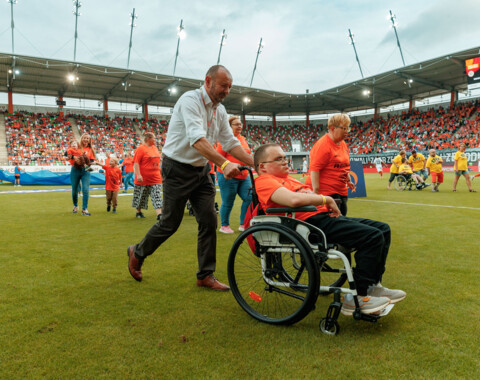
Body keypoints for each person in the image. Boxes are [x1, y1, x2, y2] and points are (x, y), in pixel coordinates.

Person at [127, 65, 254, 291]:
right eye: (224, 85)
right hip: (176, 169)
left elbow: (231, 142)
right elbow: (198, 140)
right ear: (208, 81)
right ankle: (137, 252)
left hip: (201, 170)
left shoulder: (220, 111)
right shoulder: (190, 100)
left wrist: (258, 164)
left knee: (208, 220)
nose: (227, 91)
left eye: (230, 87)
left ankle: (205, 275)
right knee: (169, 223)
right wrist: (224, 164)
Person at [254, 143, 406, 315]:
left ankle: (373, 285)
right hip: (309, 224)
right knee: (372, 236)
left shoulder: (289, 179)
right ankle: (357, 297)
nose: (285, 161)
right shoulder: (264, 181)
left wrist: (317, 199)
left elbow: (306, 196)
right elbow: (294, 200)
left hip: (320, 218)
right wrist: (326, 200)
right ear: (262, 167)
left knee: (383, 229)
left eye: (284, 157)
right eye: (278, 159)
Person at [306, 113, 355, 216]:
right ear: (333, 128)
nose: (347, 132)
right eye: (344, 129)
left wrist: (349, 180)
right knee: (335, 225)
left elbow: (343, 167)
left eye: (348, 129)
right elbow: (314, 169)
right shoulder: (323, 145)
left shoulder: (343, 144)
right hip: (327, 193)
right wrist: (315, 193)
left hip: (341, 192)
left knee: (342, 220)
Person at [216, 116, 252, 233]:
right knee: (228, 201)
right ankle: (224, 225)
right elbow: (218, 157)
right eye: (236, 124)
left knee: (250, 198)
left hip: (244, 175)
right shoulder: (225, 139)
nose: (239, 126)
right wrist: (227, 167)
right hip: (228, 176)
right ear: (229, 127)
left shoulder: (242, 139)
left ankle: (244, 224)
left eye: (240, 124)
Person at [132, 132, 163, 219]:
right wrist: (138, 175)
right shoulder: (140, 149)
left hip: (156, 178)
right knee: (141, 196)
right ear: (148, 138)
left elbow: (158, 162)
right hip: (143, 178)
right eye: (154, 138)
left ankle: (159, 214)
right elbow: (136, 162)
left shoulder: (155, 148)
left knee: (157, 195)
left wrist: (161, 174)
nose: (155, 140)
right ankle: (138, 212)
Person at [69, 134, 96, 215]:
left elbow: (91, 161)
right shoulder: (77, 146)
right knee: (75, 190)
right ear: (82, 138)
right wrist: (75, 158)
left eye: (87, 138)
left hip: (86, 170)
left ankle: (84, 209)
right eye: (84, 138)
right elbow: (67, 154)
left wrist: (90, 163)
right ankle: (75, 205)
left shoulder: (91, 149)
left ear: (89, 140)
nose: (86, 139)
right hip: (75, 169)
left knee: (85, 189)